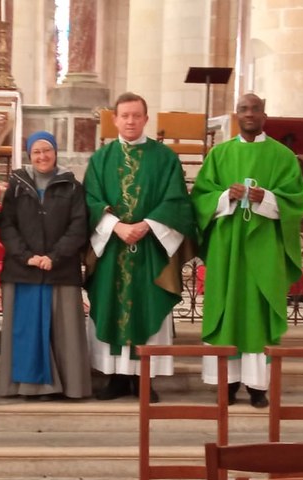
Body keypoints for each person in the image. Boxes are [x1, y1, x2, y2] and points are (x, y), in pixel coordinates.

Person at [191, 93, 303, 408]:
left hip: (264, 245)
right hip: (226, 245)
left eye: (255, 109)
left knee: (257, 310)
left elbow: (296, 200)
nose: (250, 114)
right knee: (226, 308)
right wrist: (225, 197)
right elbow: (201, 196)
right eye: (244, 109)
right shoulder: (220, 154)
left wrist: (266, 198)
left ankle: (257, 387)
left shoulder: (282, 156)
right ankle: (225, 384)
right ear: (236, 115)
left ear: (264, 115)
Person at [84, 92, 196, 403]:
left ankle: (145, 380)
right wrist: (116, 227)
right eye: (125, 116)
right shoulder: (100, 159)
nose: (131, 121)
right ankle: (116, 378)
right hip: (113, 248)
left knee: (148, 304)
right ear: (115, 120)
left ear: (146, 119)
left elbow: (176, 200)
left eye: (137, 115)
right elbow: (90, 201)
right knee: (111, 305)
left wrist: (147, 225)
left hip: (150, 249)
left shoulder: (165, 158)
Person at [0, 131, 91, 401]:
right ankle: (27, 387)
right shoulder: (16, 184)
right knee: (26, 330)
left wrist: (55, 256)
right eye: (36, 152)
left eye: (47, 150)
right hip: (22, 269)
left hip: (59, 269)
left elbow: (78, 226)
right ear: (29, 155)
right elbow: (7, 225)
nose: (42, 156)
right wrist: (26, 256)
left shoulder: (72, 186)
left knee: (62, 331)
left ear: (55, 153)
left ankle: (66, 386)